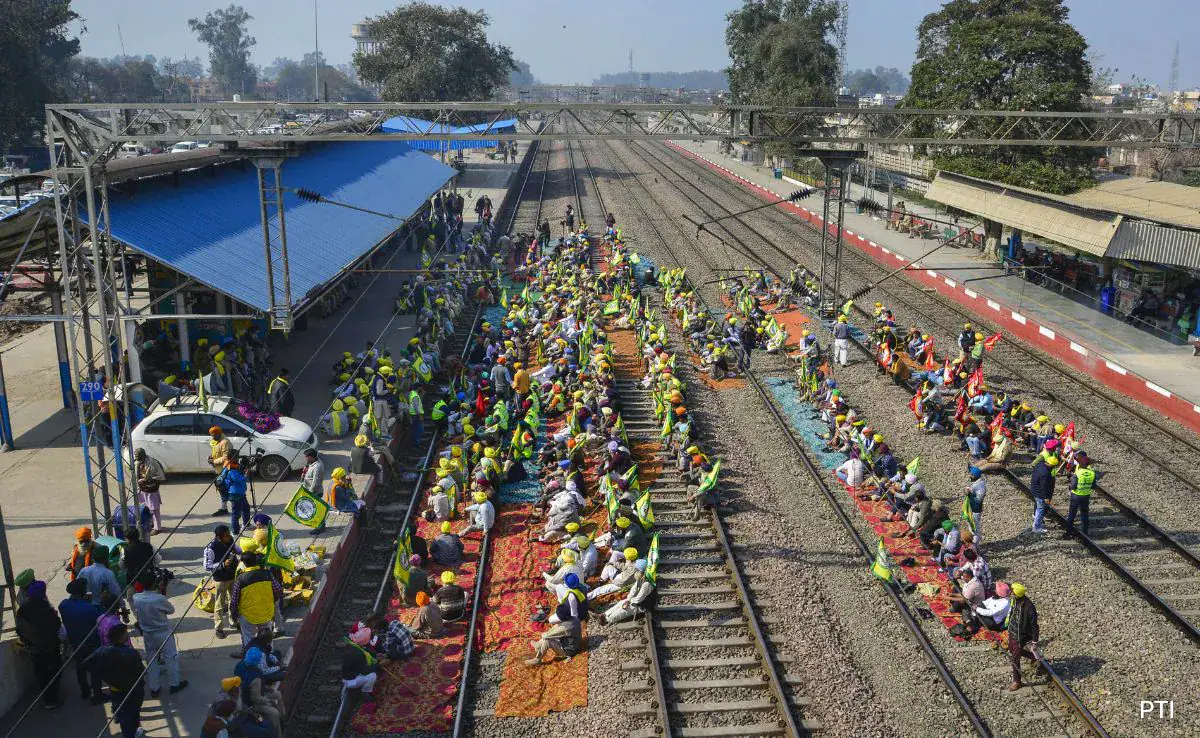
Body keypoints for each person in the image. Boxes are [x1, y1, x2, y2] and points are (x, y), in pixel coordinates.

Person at [131, 573, 188, 697]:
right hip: (162, 632)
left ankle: (154, 688)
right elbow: (171, 610)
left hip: (147, 633)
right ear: (155, 584)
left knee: (152, 660)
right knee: (171, 658)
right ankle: (174, 684)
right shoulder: (159, 598)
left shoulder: (136, 598)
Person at [85, 623, 146, 738]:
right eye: (125, 633)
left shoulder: (102, 651)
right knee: (132, 714)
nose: (127, 634)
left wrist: (104, 675)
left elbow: (86, 664)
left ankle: (129, 731)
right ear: (121, 636)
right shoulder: (131, 653)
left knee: (123, 712)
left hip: (115, 688)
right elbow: (141, 672)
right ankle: (130, 734)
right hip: (133, 689)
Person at [16, 580, 63, 710]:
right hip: (50, 647)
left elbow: (19, 629)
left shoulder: (22, 610)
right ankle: (52, 700)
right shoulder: (46, 609)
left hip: (34, 649)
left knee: (41, 673)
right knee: (55, 672)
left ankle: (47, 699)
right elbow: (56, 626)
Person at [59, 578, 105, 704]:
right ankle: (97, 694)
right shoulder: (89, 608)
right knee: (95, 669)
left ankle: (85, 691)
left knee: (81, 667)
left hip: (75, 641)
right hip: (91, 641)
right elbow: (99, 617)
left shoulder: (63, 605)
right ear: (82, 592)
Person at [231, 553, 283, 650]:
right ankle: (269, 657)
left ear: (244, 563)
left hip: (247, 615)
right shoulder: (267, 574)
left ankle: (250, 659)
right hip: (266, 612)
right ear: (255, 561)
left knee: (248, 639)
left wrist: (234, 614)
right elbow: (278, 589)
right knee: (267, 638)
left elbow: (234, 600)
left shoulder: (240, 579)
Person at [204, 524, 241, 639]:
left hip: (233, 576)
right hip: (221, 579)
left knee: (233, 600)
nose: (229, 537)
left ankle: (233, 621)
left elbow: (238, 550)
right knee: (219, 604)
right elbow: (207, 566)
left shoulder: (230, 541)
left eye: (229, 534)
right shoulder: (210, 548)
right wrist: (222, 565)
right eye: (226, 535)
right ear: (219, 537)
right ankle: (219, 627)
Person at [1006, 582, 1042, 691]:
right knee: (1012, 650)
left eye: (1012, 592)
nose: (1010, 593)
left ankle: (1017, 681)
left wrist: (1035, 641)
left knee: (1015, 658)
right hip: (1012, 631)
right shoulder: (1015, 600)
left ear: (1017, 594)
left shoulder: (1029, 608)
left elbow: (1034, 625)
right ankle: (1034, 658)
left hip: (1020, 635)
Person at [601, 560, 654, 624]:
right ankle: (603, 615)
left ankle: (606, 620)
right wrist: (628, 600)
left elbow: (639, 599)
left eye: (637, 570)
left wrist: (629, 602)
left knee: (624, 609)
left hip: (642, 605)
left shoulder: (646, 584)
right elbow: (633, 590)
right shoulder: (640, 579)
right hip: (635, 601)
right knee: (621, 603)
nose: (635, 572)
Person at [79, 545, 124, 610]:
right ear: (106, 559)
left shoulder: (84, 570)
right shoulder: (107, 573)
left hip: (86, 607)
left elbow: (77, 588)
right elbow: (116, 592)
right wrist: (122, 606)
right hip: (101, 608)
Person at [135, 448, 166, 534]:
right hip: (142, 489)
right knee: (145, 507)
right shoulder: (138, 462)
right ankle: (151, 523)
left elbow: (160, 477)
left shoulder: (151, 463)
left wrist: (146, 480)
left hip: (151, 490)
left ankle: (157, 528)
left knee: (154, 509)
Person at [1065, 453, 1094, 538]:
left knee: (1071, 515)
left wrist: (1070, 487)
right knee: (1085, 514)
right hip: (1086, 496)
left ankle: (1068, 532)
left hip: (1076, 496)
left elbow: (1073, 486)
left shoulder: (1077, 473)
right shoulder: (1092, 473)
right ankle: (1085, 532)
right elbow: (1093, 485)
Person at [219, 459, 251, 536]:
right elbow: (238, 480)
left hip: (241, 493)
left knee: (246, 508)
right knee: (236, 514)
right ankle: (235, 532)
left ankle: (245, 525)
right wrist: (246, 475)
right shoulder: (231, 471)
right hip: (235, 494)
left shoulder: (235, 469)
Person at [1029, 454, 1057, 534]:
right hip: (1039, 493)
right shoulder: (1045, 473)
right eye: (1053, 466)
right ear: (1051, 465)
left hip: (1034, 489)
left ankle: (1037, 523)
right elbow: (1043, 487)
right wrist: (1046, 498)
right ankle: (1036, 527)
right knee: (1040, 509)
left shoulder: (1040, 465)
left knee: (1039, 508)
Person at [209, 426, 233, 517]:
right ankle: (225, 507)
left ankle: (224, 508)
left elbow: (226, 457)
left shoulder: (225, 442)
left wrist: (214, 461)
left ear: (219, 434)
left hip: (225, 470)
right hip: (218, 469)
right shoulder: (217, 441)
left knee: (225, 488)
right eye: (212, 436)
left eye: (214, 436)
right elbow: (216, 452)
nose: (213, 438)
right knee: (221, 488)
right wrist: (211, 457)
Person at [965, 466, 986, 541]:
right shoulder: (976, 481)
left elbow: (978, 500)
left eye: (971, 474)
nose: (970, 475)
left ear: (976, 476)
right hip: (971, 509)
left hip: (975, 510)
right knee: (971, 527)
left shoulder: (981, 486)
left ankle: (975, 546)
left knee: (974, 529)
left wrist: (969, 493)